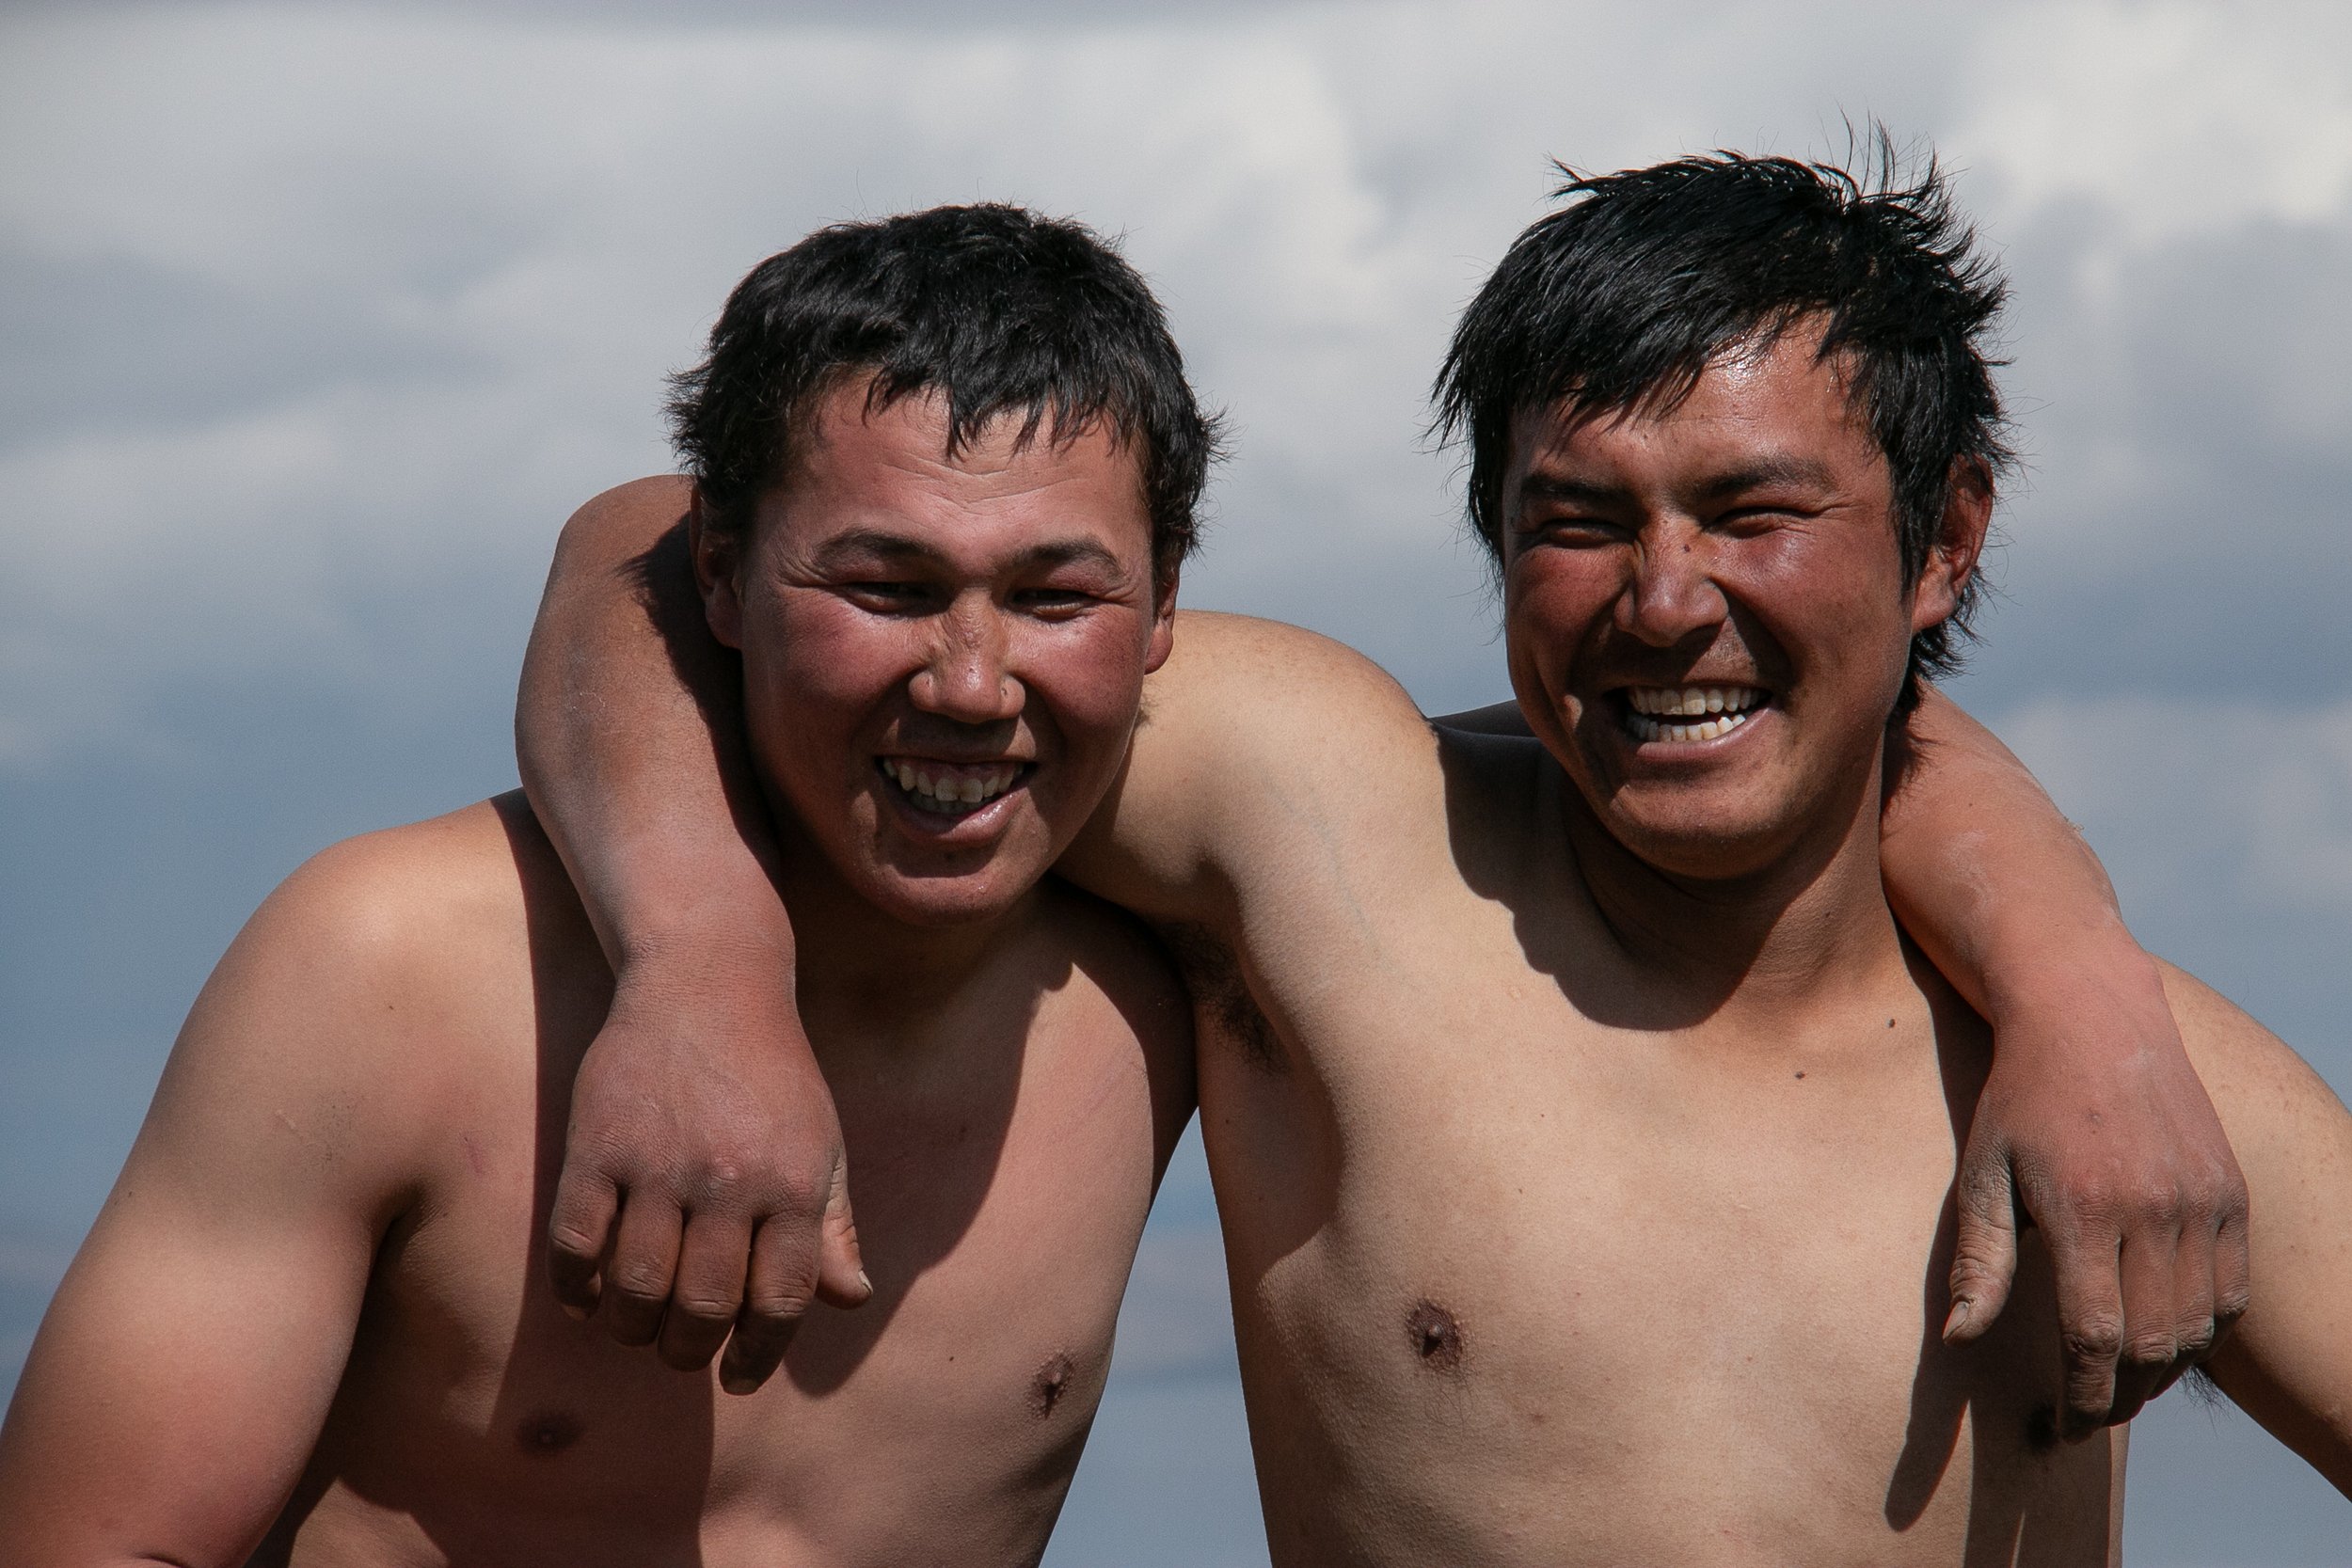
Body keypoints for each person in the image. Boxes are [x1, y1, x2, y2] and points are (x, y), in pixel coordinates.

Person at [499, 150, 2331, 1563]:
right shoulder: (1334, 834)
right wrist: (701, 967)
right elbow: (660, 549)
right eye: (1575, 521)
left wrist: (2076, 986)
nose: (1665, 603)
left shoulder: (2119, 1089)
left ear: (1940, 546)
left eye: (1753, 513)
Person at [0, 206, 1210, 1565]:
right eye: (881, 584)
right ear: (721, 574)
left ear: (1165, 607)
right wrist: (705, 961)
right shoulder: (387, 969)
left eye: (1057, 600)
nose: (971, 683)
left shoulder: (1185, 983)